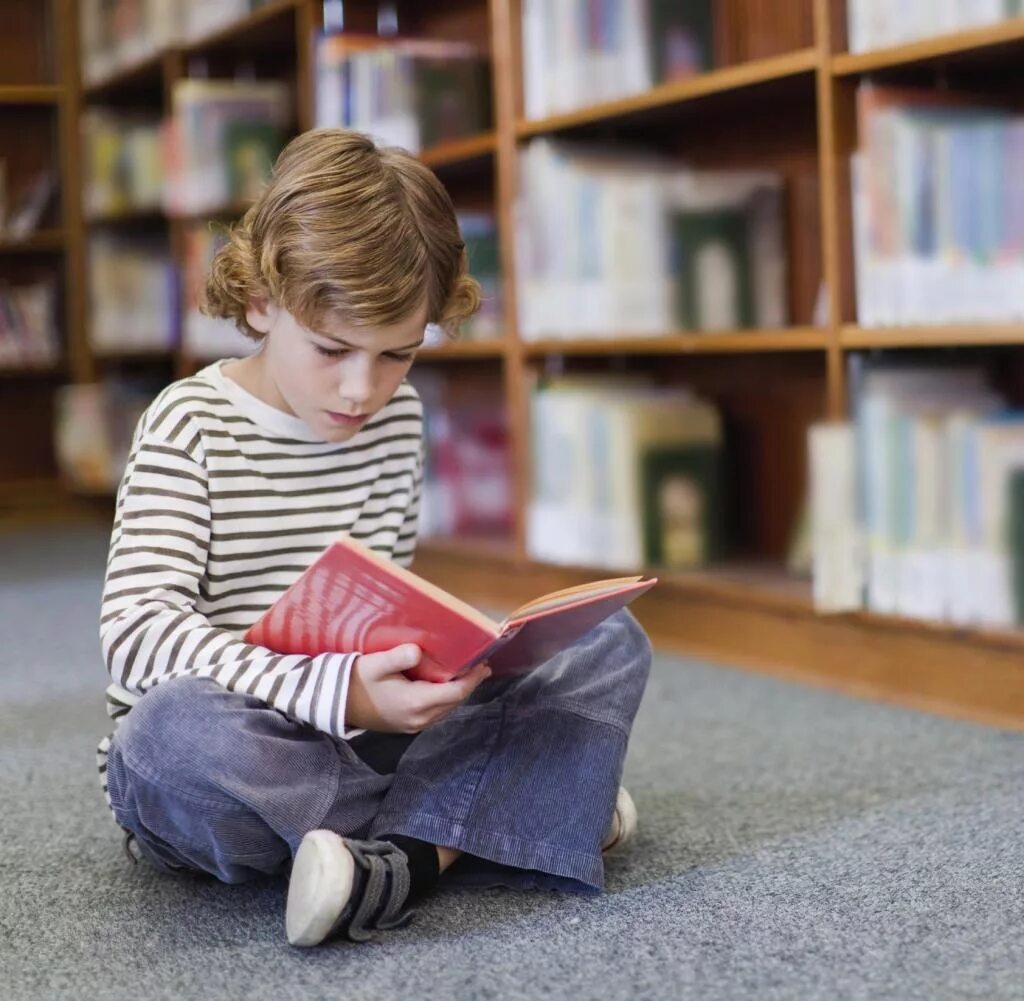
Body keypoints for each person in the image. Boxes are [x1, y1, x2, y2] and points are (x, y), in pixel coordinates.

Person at [98, 128, 654, 948]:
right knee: (168, 735)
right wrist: (339, 693)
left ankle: (390, 855)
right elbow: (135, 638)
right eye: (332, 349)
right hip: (242, 757)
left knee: (607, 635)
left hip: (365, 741)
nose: (362, 389)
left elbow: (376, 603)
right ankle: (492, 817)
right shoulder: (188, 425)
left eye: (398, 353)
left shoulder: (399, 418)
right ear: (260, 300)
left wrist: (426, 669)